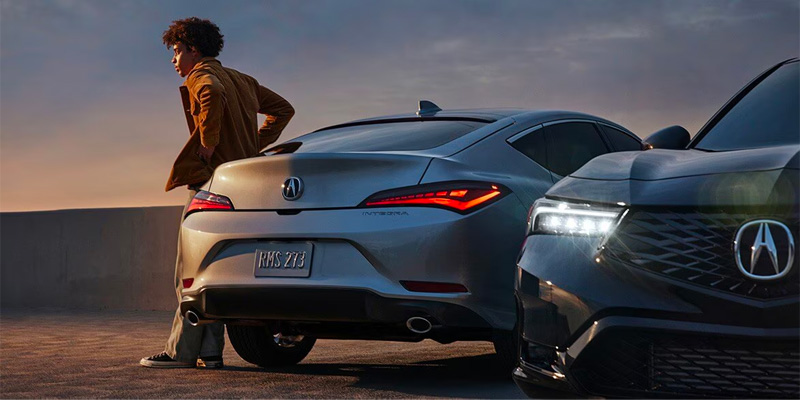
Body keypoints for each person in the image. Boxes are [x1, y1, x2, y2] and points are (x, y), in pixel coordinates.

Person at [140, 17, 295, 368]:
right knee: (215, 272)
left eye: (178, 51)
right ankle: (210, 353)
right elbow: (284, 110)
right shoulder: (244, 80)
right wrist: (255, 143)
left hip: (212, 185)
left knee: (189, 272)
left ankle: (181, 352)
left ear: (194, 49)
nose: (174, 60)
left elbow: (211, 92)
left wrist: (208, 145)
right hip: (244, 184)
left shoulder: (202, 76)